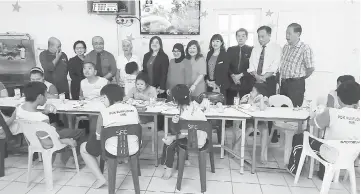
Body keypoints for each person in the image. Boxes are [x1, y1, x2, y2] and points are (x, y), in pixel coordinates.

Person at [287, 81, 360, 178]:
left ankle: (294, 169)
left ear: (338, 98)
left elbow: (312, 123)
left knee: (300, 136)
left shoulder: (331, 112)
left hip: (330, 154)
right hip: (352, 156)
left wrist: (315, 114)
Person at [80, 84, 141, 188]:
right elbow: (138, 126)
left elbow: (99, 137)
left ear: (108, 97)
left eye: (103, 98)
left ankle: (100, 178)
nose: (103, 101)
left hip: (112, 150)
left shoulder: (103, 113)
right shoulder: (133, 109)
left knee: (83, 148)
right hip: (133, 148)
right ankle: (124, 158)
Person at [16, 82, 85, 165]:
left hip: (32, 141)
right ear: (40, 97)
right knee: (80, 132)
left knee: (61, 129)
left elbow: (32, 117)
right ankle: (71, 160)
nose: (46, 99)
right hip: (49, 143)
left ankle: (68, 158)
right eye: (46, 95)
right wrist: (65, 140)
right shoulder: (42, 118)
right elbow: (47, 143)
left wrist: (44, 112)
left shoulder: (19, 109)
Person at [161, 84, 208, 179]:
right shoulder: (193, 104)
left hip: (195, 141)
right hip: (201, 136)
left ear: (174, 99)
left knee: (170, 143)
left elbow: (183, 134)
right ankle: (184, 160)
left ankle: (168, 169)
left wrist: (172, 138)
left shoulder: (185, 115)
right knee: (172, 135)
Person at [279, 23, 315, 107]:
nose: (286, 36)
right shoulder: (285, 47)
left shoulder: (305, 48)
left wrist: (299, 78)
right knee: (281, 109)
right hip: (284, 83)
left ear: (298, 34)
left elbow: (310, 68)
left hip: (296, 85)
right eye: (286, 33)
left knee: (294, 110)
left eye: (289, 34)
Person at [233, 83, 270, 163]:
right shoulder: (247, 97)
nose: (250, 92)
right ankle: (237, 144)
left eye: (253, 91)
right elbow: (241, 108)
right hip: (248, 119)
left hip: (260, 120)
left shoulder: (265, 99)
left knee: (265, 130)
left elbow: (262, 109)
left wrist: (260, 99)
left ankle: (262, 154)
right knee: (250, 128)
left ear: (259, 93)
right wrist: (244, 101)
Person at [248, 26, 281, 97]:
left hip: (269, 80)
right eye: (259, 37)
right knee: (254, 103)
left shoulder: (276, 48)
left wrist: (263, 77)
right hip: (255, 79)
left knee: (267, 103)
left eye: (262, 36)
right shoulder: (255, 48)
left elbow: (275, 66)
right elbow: (251, 65)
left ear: (269, 35)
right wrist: (257, 76)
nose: (260, 39)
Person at [226, 28, 254, 105]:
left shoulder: (252, 50)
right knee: (230, 105)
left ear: (247, 37)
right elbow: (226, 65)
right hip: (232, 82)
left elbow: (253, 67)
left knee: (245, 105)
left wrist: (241, 75)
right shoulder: (230, 49)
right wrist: (233, 76)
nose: (240, 38)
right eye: (238, 36)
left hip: (246, 82)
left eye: (243, 36)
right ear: (236, 37)